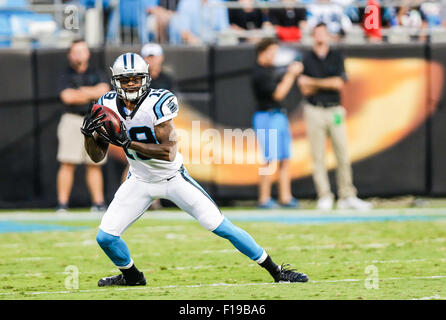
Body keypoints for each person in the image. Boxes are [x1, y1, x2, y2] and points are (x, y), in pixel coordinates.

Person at [80, 52, 308, 286]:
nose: (131, 84)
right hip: (139, 179)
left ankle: (276, 271)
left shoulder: (157, 102)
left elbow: (168, 152)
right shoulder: (106, 104)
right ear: (116, 81)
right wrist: (89, 136)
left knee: (221, 227)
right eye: (125, 80)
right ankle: (132, 277)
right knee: (105, 237)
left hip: (172, 178)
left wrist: (128, 142)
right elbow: (97, 156)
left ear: (145, 78)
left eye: (136, 79)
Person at [298, 23, 372, 211]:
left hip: (334, 109)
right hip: (314, 110)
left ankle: (347, 195)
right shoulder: (307, 57)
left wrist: (315, 82)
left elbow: (338, 83)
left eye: (323, 32)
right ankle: (324, 195)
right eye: (317, 33)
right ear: (313, 36)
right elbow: (304, 87)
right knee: (318, 155)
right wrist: (325, 83)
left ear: (328, 35)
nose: (321, 36)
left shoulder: (336, 56)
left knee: (342, 153)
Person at [120, 42, 176, 210]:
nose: (151, 60)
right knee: (134, 161)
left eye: (154, 56)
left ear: (161, 58)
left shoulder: (166, 79)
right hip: (138, 123)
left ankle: (155, 199)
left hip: (160, 125)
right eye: (148, 56)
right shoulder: (134, 79)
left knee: (164, 159)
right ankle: (125, 200)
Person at [57, 39, 110, 213]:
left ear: (88, 53)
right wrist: (91, 92)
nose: (80, 54)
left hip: (94, 119)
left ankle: (98, 203)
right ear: (70, 54)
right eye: (76, 51)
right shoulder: (65, 74)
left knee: (95, 163)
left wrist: (80, 91)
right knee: (67, 162)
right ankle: (62, 205)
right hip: (72, 119)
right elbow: (68, 97)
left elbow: (103, 91)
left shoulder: (97, 72)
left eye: (83, 51)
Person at [251, 38, 302, 209]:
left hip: (279, 116)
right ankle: (264, 198)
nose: (274, 57)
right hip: (267, 117)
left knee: (285, 158)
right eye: (271, 52)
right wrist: (291, 74)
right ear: (262, 52)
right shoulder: (259, 73)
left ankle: (285, 196)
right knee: (269, 160)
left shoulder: (271, 70)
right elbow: (278, 94)